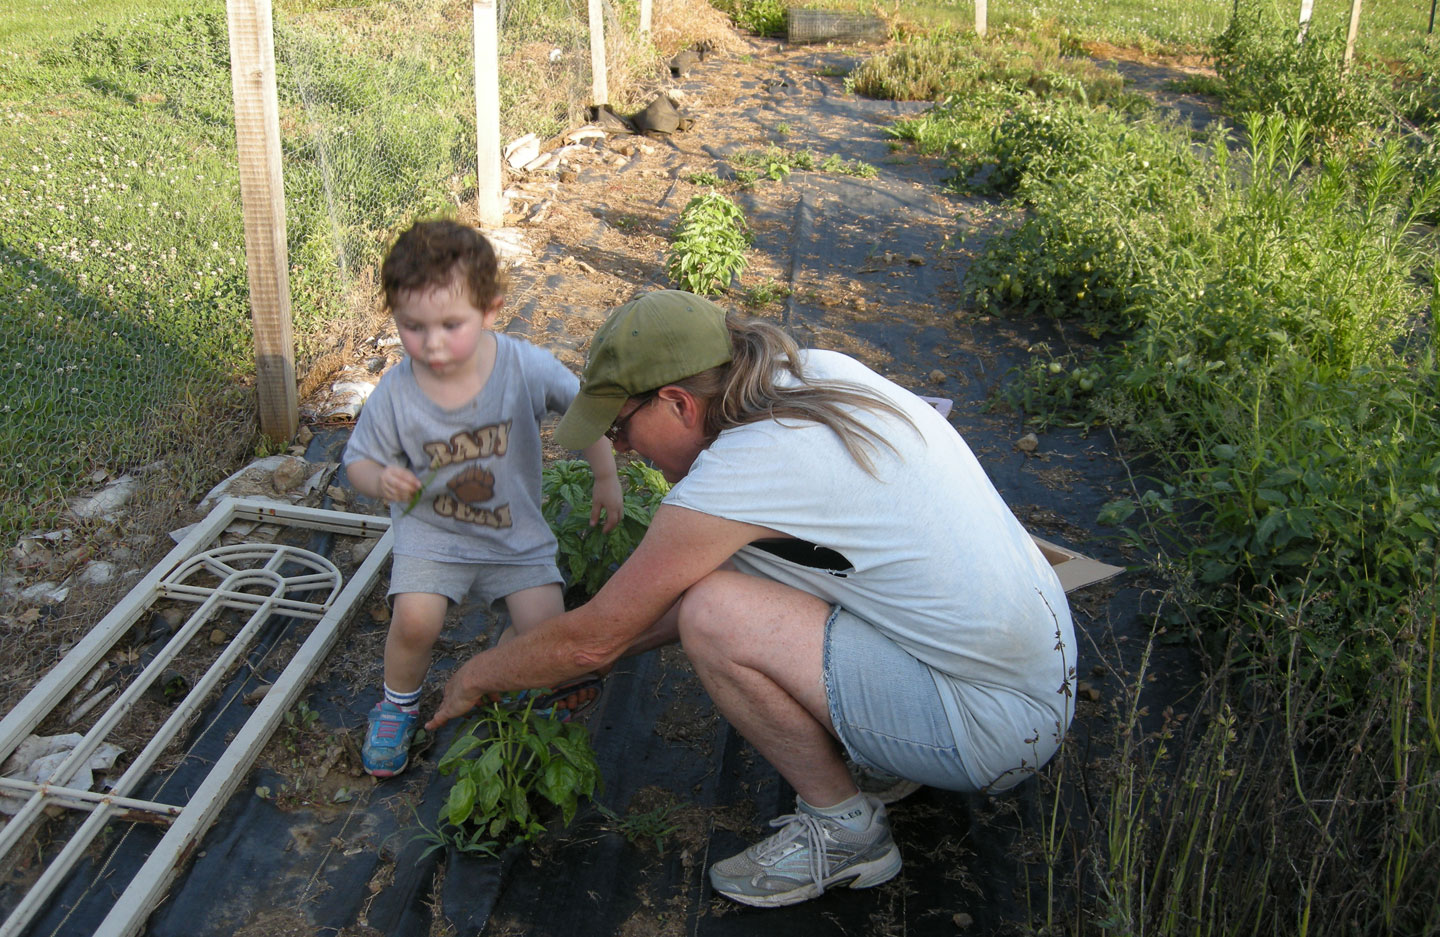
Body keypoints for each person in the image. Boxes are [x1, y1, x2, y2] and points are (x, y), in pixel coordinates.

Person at [424, 290, 1077, 906]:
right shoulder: (811, 372)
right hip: (1037, 667)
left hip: (994, 724)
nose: (619, 449)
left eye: (621, 429)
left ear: (678, 403)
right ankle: (892, 743)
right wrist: (595, 656)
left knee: (714, 614)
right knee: (733, 580)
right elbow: (624, 630)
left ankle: (846, 833)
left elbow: (599, 632)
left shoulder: (744, 469)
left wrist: (481, 675)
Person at [343, 219, 621, 778]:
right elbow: (357, 460)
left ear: (490, 311)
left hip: (514, 534)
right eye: (413, 327)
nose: (432, 342)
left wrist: (606, 475)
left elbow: (581, 409)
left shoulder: (524, 366)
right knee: (416, 622)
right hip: (434, 533)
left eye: (451, 324)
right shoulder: (397, 392)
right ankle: (397, 705)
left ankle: (506, 676)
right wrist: (380, 481)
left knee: (546, 628)